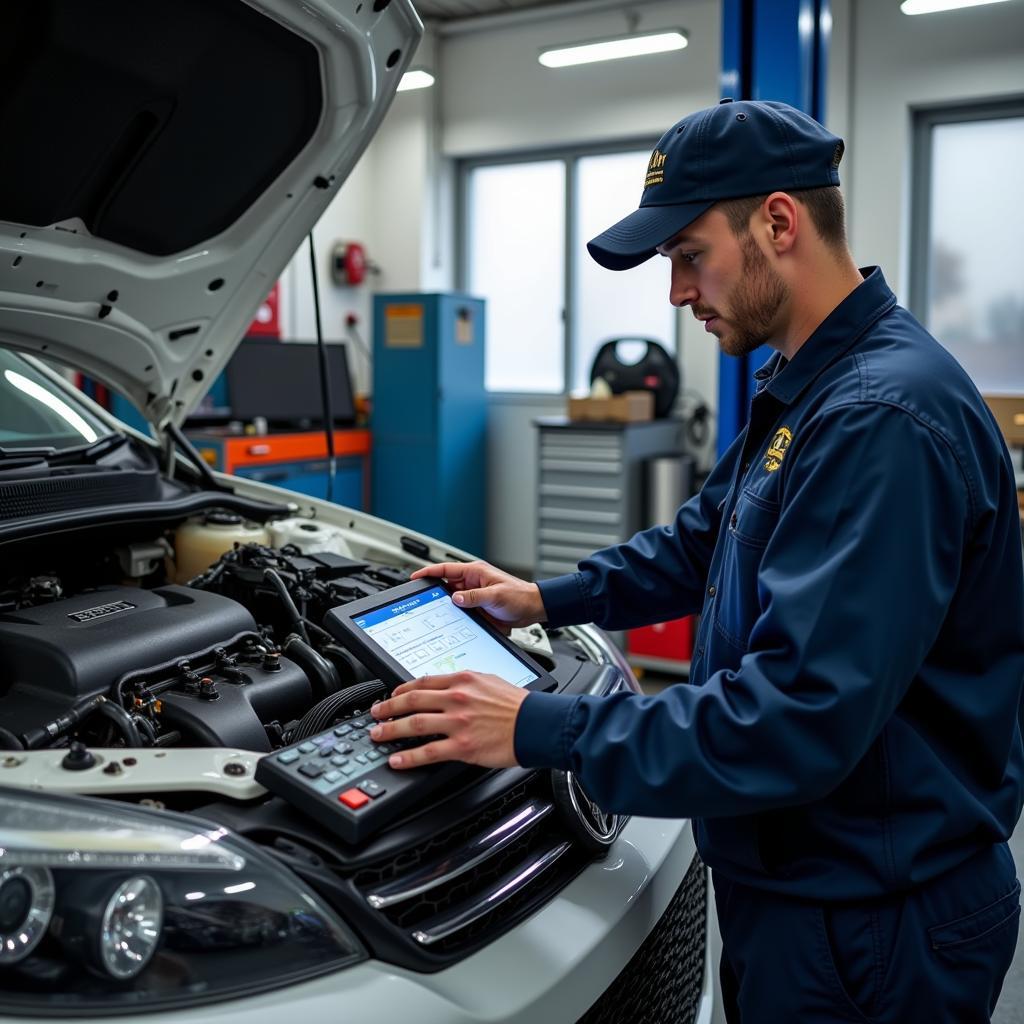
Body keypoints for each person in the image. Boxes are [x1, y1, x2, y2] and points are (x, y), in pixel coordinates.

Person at [369, 99, 1024, 1023]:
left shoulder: (878, 419)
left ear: (779, 223)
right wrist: (538, 599)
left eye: (687, 255)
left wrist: (536, 726)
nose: (676, 294)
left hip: (875, 924)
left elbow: (793, 719)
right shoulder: (813, 387)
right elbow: (700, 542)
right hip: (814, 886)